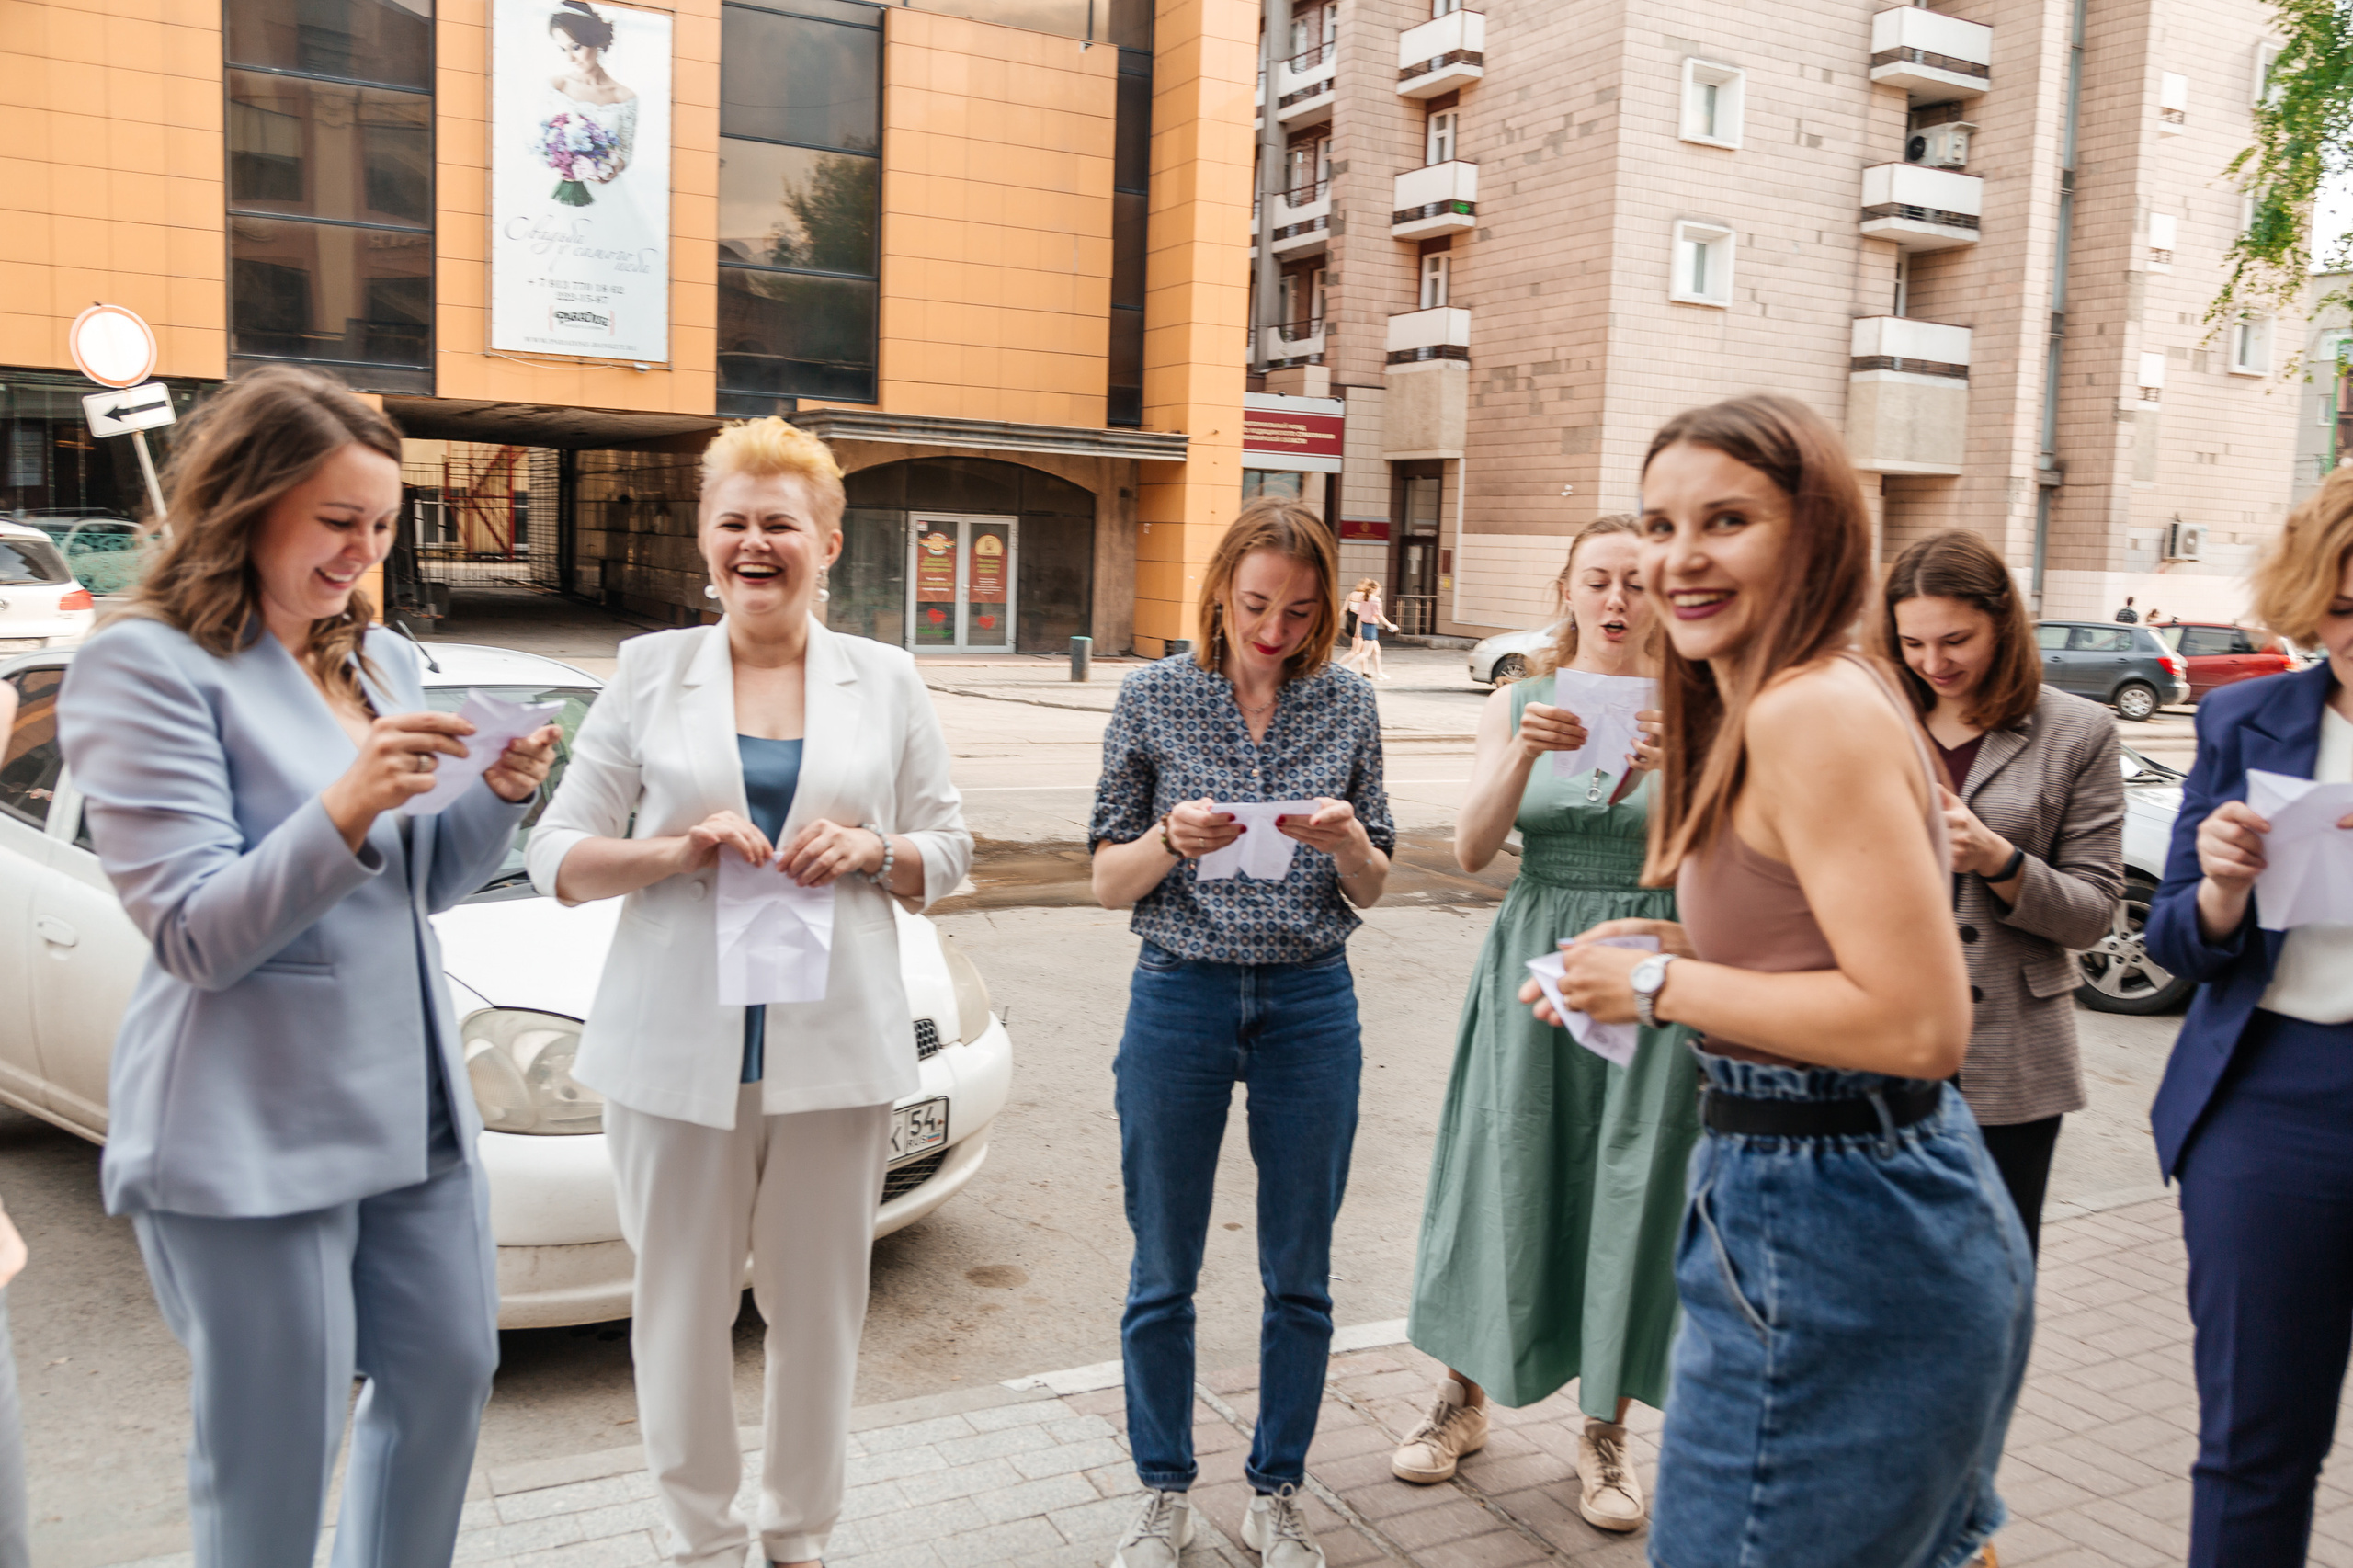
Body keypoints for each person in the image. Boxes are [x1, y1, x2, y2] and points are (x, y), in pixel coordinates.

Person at [54, 366, 561, 1568]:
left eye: (382, 526)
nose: (361, 553)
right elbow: (192, 930)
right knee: (274, 1461)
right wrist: (342, 804)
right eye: (339, 521)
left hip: (415, 1116)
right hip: (247, 1128)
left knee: (447, 1383)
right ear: (246, 501)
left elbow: (415, 878)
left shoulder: (377, 659)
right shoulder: (144, 667)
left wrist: (492, 800)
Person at [1526, 394, 2031, 1568]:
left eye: (1726, 519)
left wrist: (1658, 994)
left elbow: (1915, 1019)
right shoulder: (1794, 692)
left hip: (1831, 1220)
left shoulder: (1809, 709)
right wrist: (1673, 951)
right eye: (1658, 524)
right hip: (1844, 1201)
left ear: (1812, 533)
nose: (1677, 558)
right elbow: (1824, 950)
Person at [527, 419, 971, 1568]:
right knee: (676, 1314)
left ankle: (798, 1535)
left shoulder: (886, 677)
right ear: (705, 540)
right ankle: (701, 1541)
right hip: (673, 1050)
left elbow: (954, 849)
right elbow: (558, 853)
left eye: (779, 522)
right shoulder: (644, 671)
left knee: (819, 1315)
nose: (754, 543)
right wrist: (674, 849)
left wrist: (873, 849)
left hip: (833, 1054)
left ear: (827, 540)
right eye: (733, 521)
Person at [1090, 496, 1394, 1568]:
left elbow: (1376, 879)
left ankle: (1279, 1486)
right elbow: (1101, 876)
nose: (1274, 629)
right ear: (1221, 586)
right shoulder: (1152, 696)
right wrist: (1168, 838)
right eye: (1257, 602)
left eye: (1301, 611)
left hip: (1311, 998)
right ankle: (1162, 1490)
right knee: (1161, 1265)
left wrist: (1351, 838)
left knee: (1298, 1270)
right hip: (1180, 990)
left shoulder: (1346, 704)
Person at [1395, 516, 1689, 1534]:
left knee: (1628, 1179)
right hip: (1536, 955)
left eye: (1638, 584)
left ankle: (1602, 1427)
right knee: (1505, 1164)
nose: (1617, 601)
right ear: (1565, 588)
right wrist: (1519, 754)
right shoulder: (1518, 697)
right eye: (1598, 580)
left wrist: (1684, 774)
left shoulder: (1702, 709)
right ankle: (1462, 1394)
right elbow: (1474, 850)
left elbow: (1730, 864)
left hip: (1650, 961)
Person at [2145, 465, 2353, 1568]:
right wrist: (2222, 886)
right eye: (2345, 601)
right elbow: (2171, 933)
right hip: (2270, 1094)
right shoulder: (2242, 715)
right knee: (2255, 1439)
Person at [1879, 529, 2124, 1254]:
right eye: (1912, 644)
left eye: (1955, 639)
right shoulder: (1872, 721)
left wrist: (1997, 857)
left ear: (2003, 623)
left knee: (1991, 1281)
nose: (1933, 663)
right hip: (1876, 1037)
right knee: (1876, 1282)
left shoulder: (2077, 730)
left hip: (2009, 1056)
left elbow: (2092, 913)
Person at [1343, 577, 1400, 681]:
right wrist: (1390, 626)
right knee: (1366, 653)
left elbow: (1359, 616)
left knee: (1377, 651)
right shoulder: (1376, 600)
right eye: (1379, 590)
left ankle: (1379, 673)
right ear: (1374, 589)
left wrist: (1358, 630)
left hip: (1365, 626)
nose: (1380, 591)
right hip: (1371, 627)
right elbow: (1379, 615)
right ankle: (1348, 666)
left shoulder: (1364, 599)